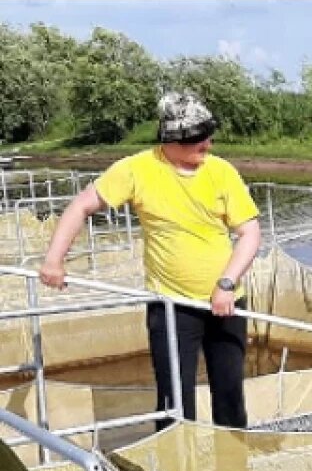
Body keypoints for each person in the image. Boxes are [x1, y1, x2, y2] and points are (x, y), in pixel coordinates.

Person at [38, 91, 262, 429]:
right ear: (172, 140)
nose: (208, 145)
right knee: (174, 402)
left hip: (227, 303)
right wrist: (54, 260)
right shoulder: (136, 169)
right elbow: (80, 206)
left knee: (230, 395)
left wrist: (226, 283)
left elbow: (250, 233)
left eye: (208, 138)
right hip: (171, 307)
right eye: (197, 140)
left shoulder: (222, 172)